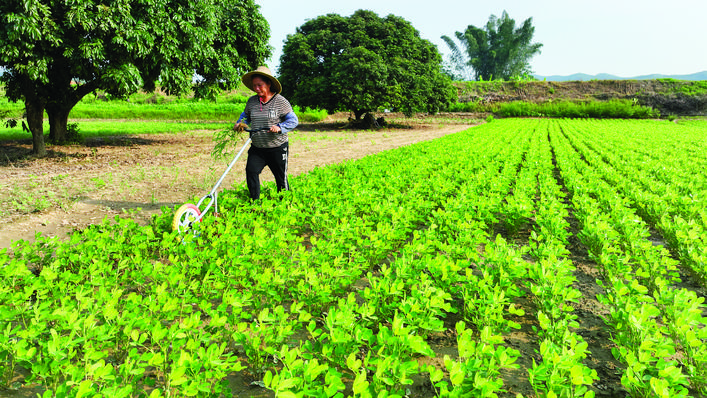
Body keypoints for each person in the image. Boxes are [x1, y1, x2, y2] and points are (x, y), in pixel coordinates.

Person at [234, 66, 298, 200]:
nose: (256, 89)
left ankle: (284, 202)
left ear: (268, 84)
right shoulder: (252, 101)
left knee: (280, 177)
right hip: (258, 148)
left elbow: (293, 120)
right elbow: (245, 116)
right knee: (251, 171)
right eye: (254, 86)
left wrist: (279, 127)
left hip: (277, 147)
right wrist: (240, 123)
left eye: (260, 85)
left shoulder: (280, 101)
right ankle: (254, 201)